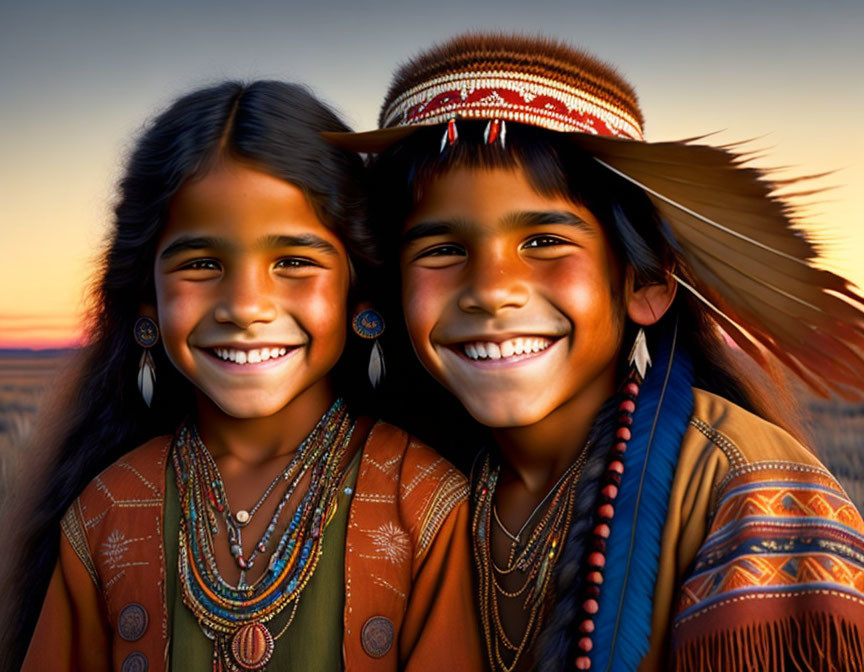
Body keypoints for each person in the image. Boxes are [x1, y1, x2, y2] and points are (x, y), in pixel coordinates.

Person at [327, 34, 864, 671]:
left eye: (545, 241)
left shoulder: (748, 496)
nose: (492, 292)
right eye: (442, 249)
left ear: (645, 282)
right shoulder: (411, 478)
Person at [12, 80, 481, 672]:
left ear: (357, 290)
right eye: (202, 263)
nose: (246, 305)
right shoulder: (107, 508)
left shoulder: (422, 501)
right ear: (146, 305)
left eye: (293, 262)